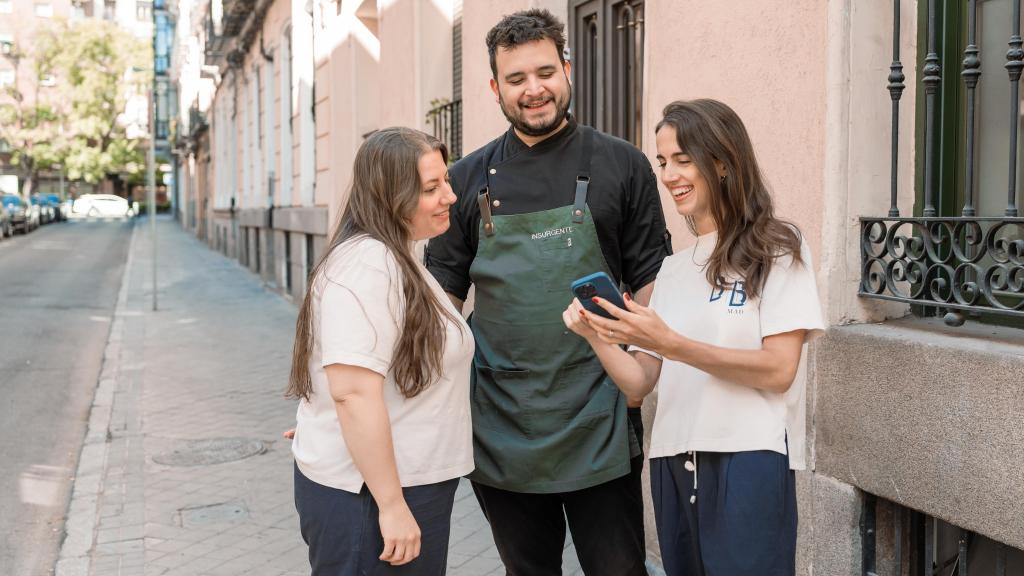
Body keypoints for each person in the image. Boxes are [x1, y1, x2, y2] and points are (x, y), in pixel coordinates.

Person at [424, 9, 670, 576]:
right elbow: (438, 303)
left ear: (567, 69)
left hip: (600, 416)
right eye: (516, 79)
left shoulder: (623, 165)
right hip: (500, 419)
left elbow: (653, 281)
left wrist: (645, 373)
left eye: (544, 72)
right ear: (495, 88)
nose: (533, 90)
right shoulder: (465, 178)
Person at [562, 99, 826, 576]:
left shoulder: (777, 247)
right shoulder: (671, 269)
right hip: (670, 463)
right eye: (663, 162)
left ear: (722, 162)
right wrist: (597, 335)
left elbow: (779, 370)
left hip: (747, 459)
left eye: (683, 159)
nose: (669, 175)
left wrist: (673, 344)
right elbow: (639, 384)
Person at [287, 127, 474, 575]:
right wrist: (391, 506)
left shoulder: (397, 255)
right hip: (373, 497)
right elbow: (353, 394)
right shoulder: (367, 265)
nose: (449, 195)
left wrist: (326, 420)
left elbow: (359, 376)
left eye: (445, 180)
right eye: (431, 188)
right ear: (391, 196)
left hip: (398, 485)